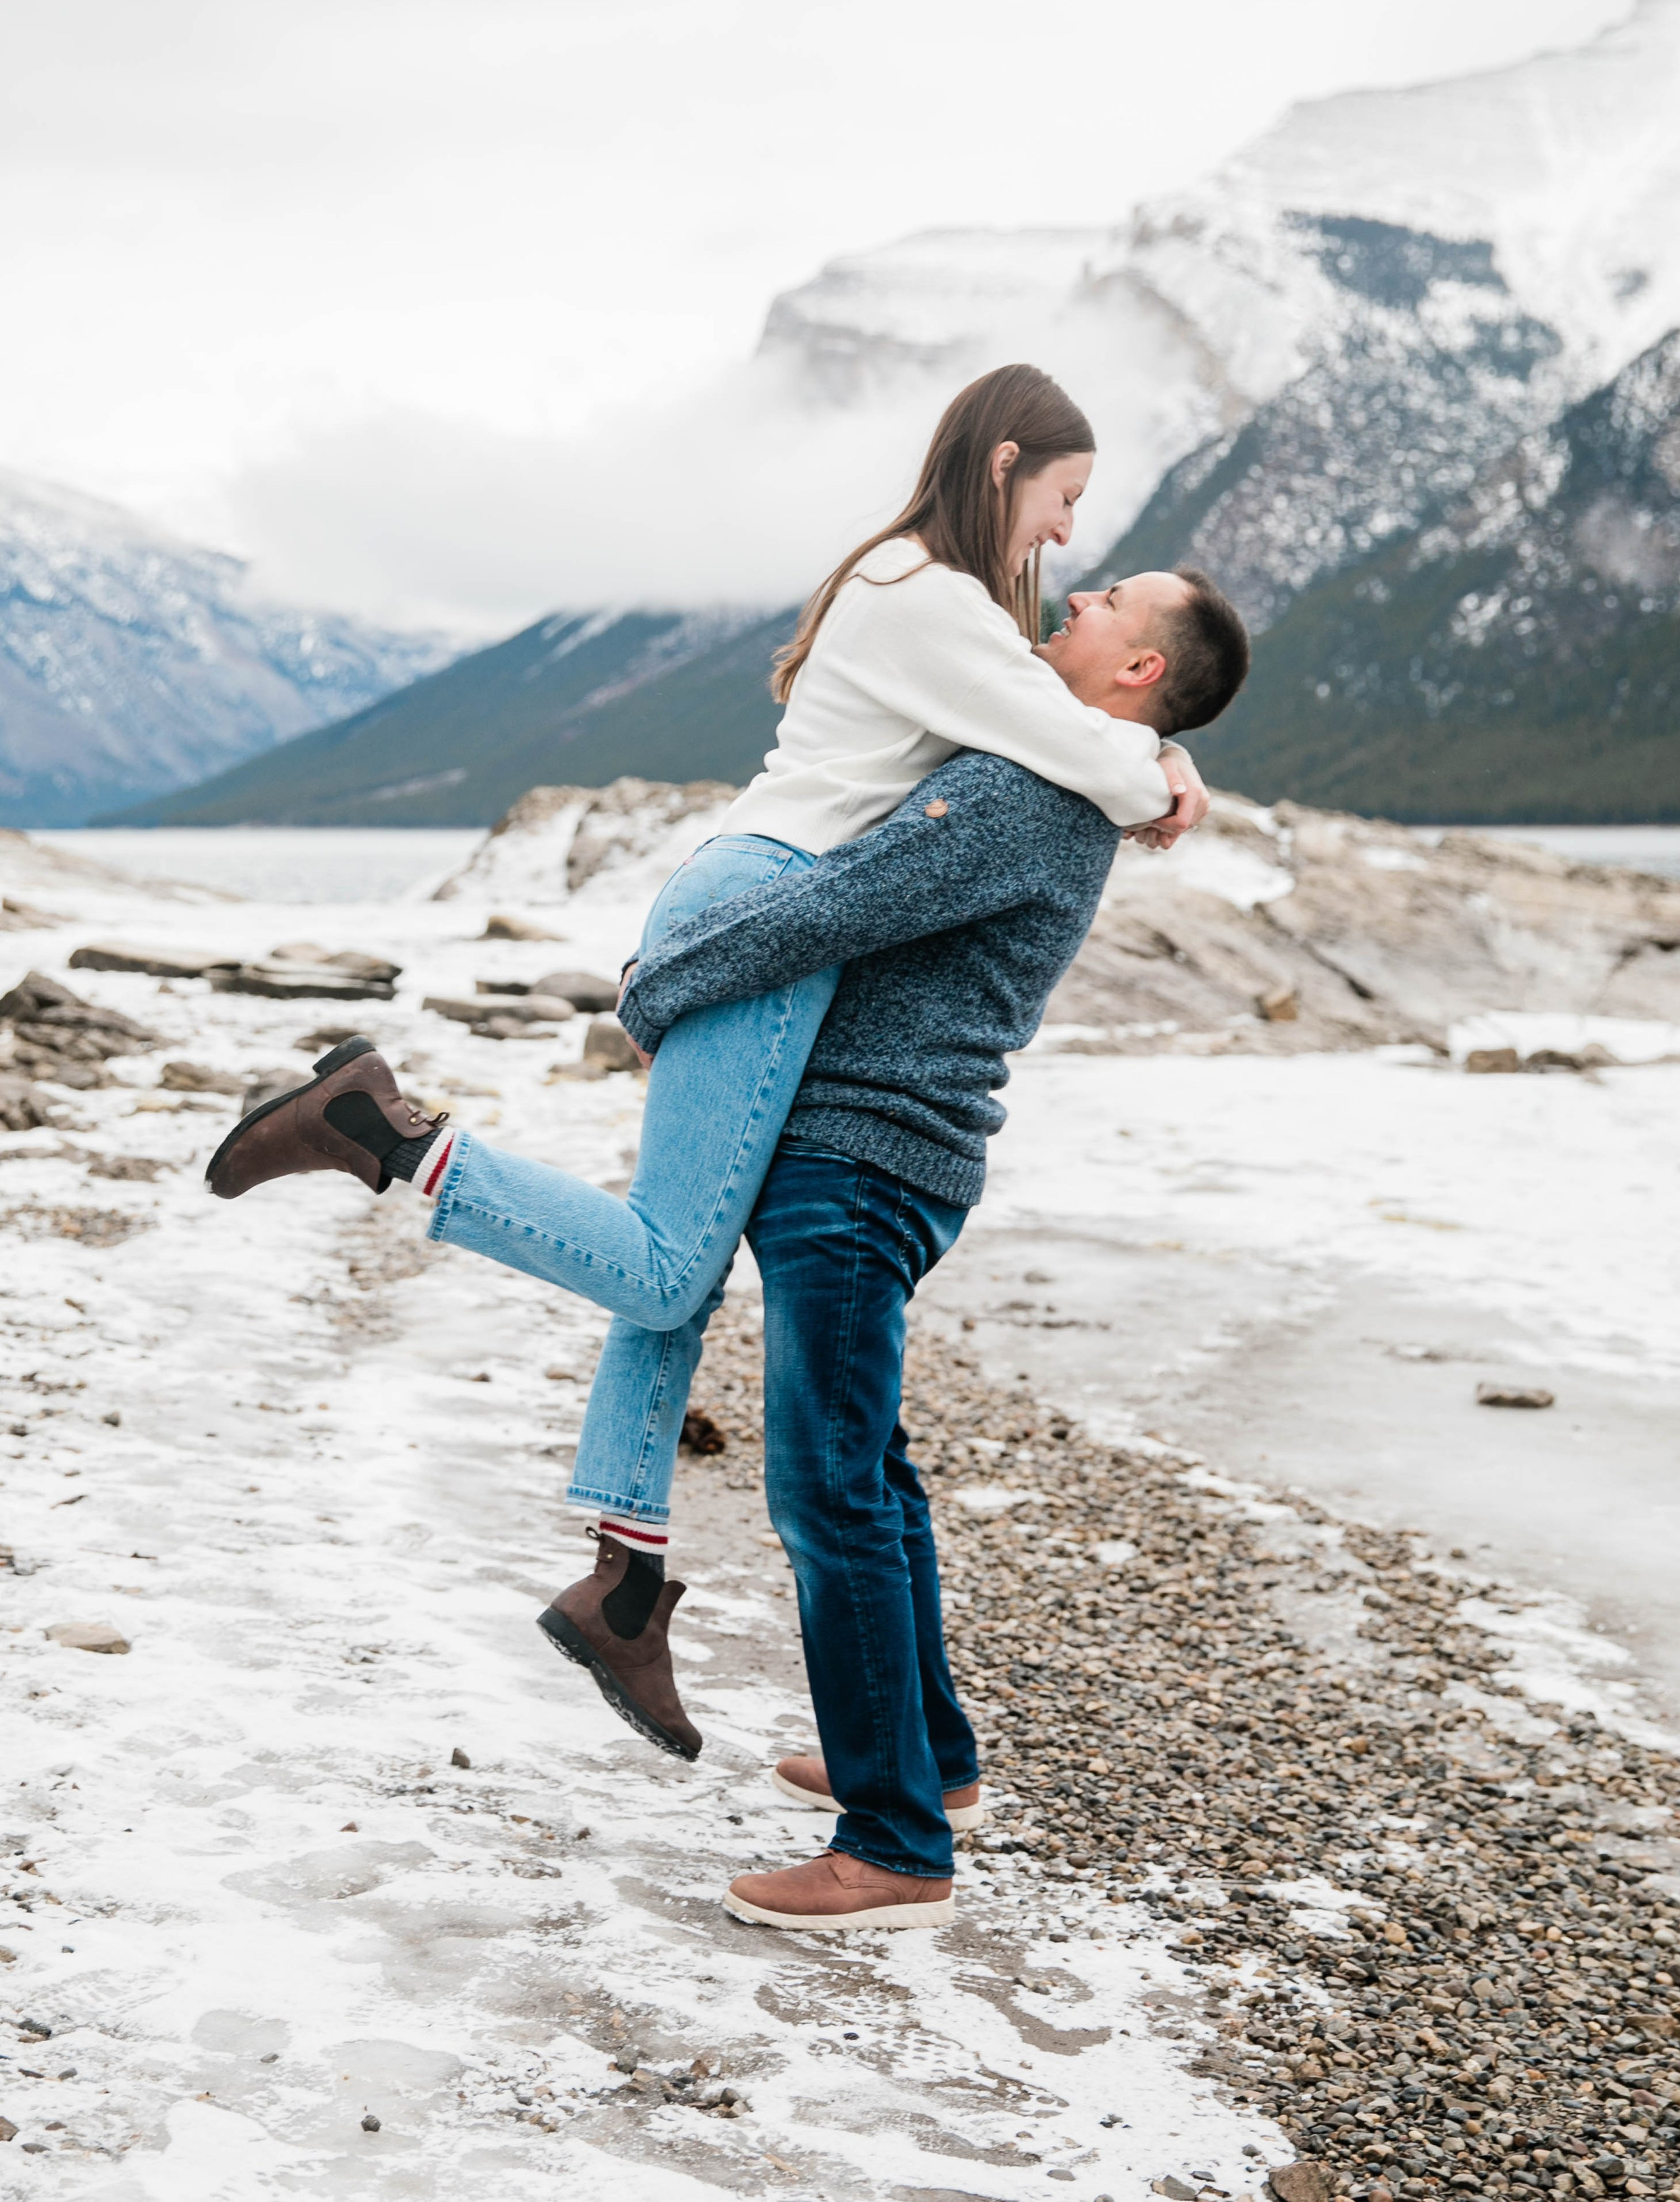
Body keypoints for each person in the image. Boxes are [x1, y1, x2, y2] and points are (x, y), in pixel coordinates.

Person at [204, 364, 1210, 1748]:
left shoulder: (923, 590)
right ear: (1003, 468)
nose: (1063, 539)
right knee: (670, 1260)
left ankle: (624, 1590)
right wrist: (1164, 773)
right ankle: (380, 1133)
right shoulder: (931, 597)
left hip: (753, 888)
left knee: (671, 1271)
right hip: (773, 904)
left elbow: (1068, 732)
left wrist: (1148, 755)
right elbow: (1065, 743)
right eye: (1061, 500)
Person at [588, 564, 1252, 1928]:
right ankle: (925, 1759)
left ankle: (891, 1844)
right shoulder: (1066, 769)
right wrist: (1164, 761)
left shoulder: (1018, 794)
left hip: (854, 1160)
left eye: (1115, 594)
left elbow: (832, 907)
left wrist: (660, 986)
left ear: (1137, 670)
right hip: (900, 1157)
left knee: (829, 1487)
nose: (1080, 583)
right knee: (870, 1471)